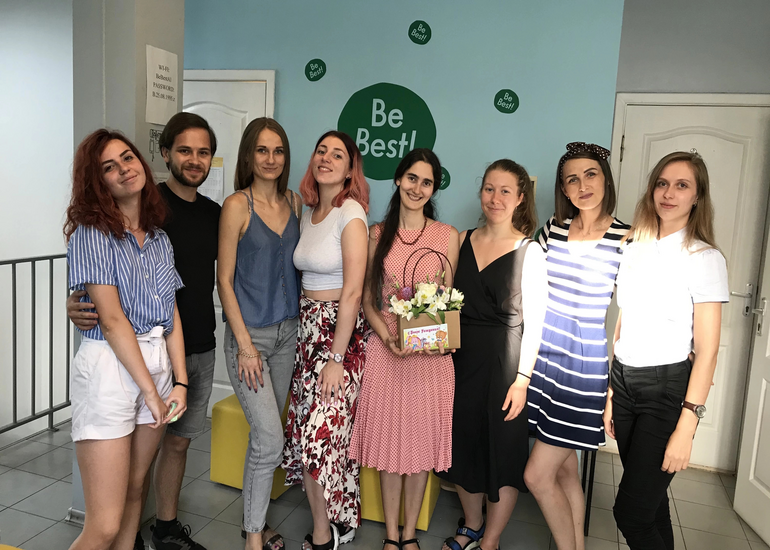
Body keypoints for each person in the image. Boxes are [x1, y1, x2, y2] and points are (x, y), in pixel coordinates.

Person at [67, 112, 220, 550]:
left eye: (127, 158)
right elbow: (113, 320)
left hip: (157, 363)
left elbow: (169, 312)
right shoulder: (92, 233)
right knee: (104, 524)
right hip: (112, 368)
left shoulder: (157, 237)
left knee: (136, 491)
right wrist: (153, 393)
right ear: (97, 182)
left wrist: (179, 381)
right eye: (108, 167)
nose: (122, 169)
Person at [604, 151, 728, 550]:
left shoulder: (704, 258)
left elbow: (707, 351)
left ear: (697, 196)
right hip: (624, 383)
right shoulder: (631, 245)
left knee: (630, 514)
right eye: (662, 183)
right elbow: (623, 320)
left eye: (681, 185)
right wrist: (612, 393)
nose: (669, 193)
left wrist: (687, 427)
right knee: (652, 506)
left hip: (666, 390)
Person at [349, 149, 460, 550]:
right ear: (398, 179)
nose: (417, 188)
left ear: (433, 189)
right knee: (388, 448)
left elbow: (447, 301)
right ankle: (391, 536)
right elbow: (367, 299)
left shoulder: (447, 236)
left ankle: (409, 533)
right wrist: (387, 336)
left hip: (430, 359)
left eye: (426, 182)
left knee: (419, 450)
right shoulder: (376, 234)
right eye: (412, 178)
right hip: (386, 353)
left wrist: (433, 339)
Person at [523, 142, 630, 550]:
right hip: (543, 356)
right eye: (572, 179)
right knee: (566, 470)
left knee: (536, 475)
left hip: (582, 367)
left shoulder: (627, 238)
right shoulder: (553, 229)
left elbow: (629, 318)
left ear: (605, 179)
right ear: (563, 189)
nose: (582, 185)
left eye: (590, 175)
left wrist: (612, 389)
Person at [437, 160, 548, 550]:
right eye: (489, 189)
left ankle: (492, 540)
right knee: (462, 445)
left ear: (520, 198)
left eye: (505, 191)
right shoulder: (461, 239)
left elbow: (536, 324)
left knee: (502, 452)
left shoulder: (530, 251)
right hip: (460, 362)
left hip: (506, 367)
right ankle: (472, 526)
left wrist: (523, 381)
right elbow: (446, 302)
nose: (495, 198)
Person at [282, 131, 369, 550]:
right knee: (311, 432)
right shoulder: (308, 212)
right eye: (321, 151)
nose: (327, 159)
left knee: (320, 434)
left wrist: (336, 357)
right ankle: (341, 518)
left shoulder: (351, 213)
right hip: (307, 331)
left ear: (350, 170)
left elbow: (352, 291)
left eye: (338, 155)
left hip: (340, 334)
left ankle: (322, 533)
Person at [217, 117, 302, 550]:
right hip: (250, 338)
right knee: (270, 439)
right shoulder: (238, 205)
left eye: (278, 150)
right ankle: (253, 539)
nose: (271, 159)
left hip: (289, 335)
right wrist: (246, 347)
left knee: (265, 436)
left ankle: (256, 522)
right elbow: (224, 280)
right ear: (249, 156)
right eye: (262, 150)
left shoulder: (295, 202)